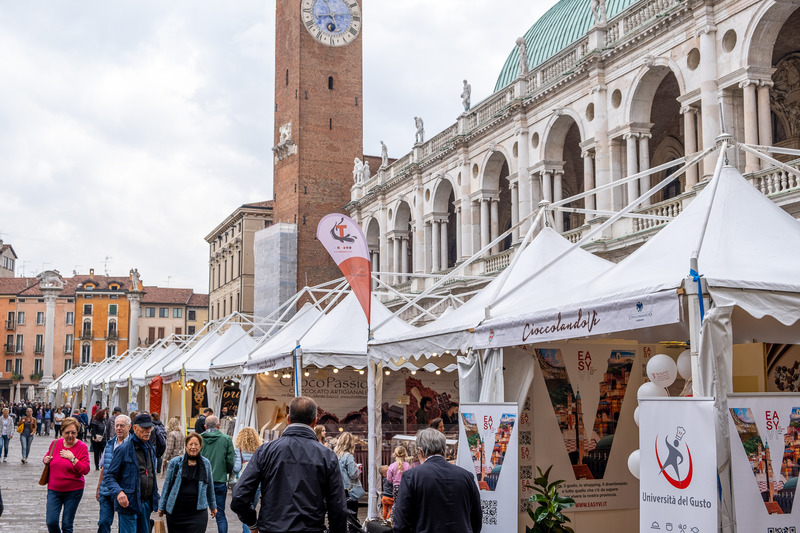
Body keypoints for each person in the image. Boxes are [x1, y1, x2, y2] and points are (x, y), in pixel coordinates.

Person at [231, 396, 347, 533]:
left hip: (271, 527)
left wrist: (252, 523)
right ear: (314, 421)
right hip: (310, 528)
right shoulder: (327, 456)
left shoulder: (265, 451)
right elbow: (338, 507)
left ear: (288, 419)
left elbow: (239, 496)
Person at [392, 428, 482, 533]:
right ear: (444, 450)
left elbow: (401, 522)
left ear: (420, 451)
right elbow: (476, 519)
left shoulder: (411, 476)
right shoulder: (466, 476)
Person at [105, 413, 160, 533]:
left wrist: (156, 497)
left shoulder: (149, 448)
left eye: (149, 428)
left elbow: (151, 474)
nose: (148, 431)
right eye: (144, 428)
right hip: (128, 503)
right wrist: (119, 492)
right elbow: (109, 476)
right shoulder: (123, 449)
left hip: (146, 503)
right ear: (135, 428)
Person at [159, 433, 217, 532]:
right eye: (190, 444)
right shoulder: (175, 462)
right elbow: (167, 486)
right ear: (186, 446)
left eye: (196, 444)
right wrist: (161, 506)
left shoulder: (206, 463)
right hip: (176, 512)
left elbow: (210, 486)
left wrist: (213, 506)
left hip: (198, 513)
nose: (193, 447)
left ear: (200, 446)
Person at [43, 417, 91, 533]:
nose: (70, 435)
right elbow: (47, 457)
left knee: (67, 524)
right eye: (67, 432)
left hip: (73, 490)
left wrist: (72, 458)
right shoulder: (55, 443)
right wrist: (45, 459)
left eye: (73, 433)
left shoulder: (82, 447)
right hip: (54, 489)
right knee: (51, 522)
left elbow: (85, 470)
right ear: (62, 432)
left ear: (77, 432)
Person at [96, 414, 131, 533]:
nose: (119, 428)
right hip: (107, 490)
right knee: (103, 522)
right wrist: (99, 488)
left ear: (129, 427)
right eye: (117, 426)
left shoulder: (133, 445)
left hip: (124, 491)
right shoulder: (110, 444)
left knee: (124, 525)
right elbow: (103, 467)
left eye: (122, 426)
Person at [200, 415, 234, 533]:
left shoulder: (198, 439)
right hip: (219, 480)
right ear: (218, 426)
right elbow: (230, 461)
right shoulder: (226, 439)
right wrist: (226, 471)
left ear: (205, 426)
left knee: (200, 514)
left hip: (202, 481)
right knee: (220, 515)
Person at [232, 427, 262, 533]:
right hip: (257, 484)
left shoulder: (239, 450)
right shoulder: (260, 450)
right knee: (252, 510)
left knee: (245, 513)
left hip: (243, 484)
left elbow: (236, 468)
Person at [335, 431, 364, 514]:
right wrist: (357, 469)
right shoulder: (348, 456)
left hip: (338, 488)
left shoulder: (335, 455)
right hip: (349, 490)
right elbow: (353, 474)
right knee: (352, 515)